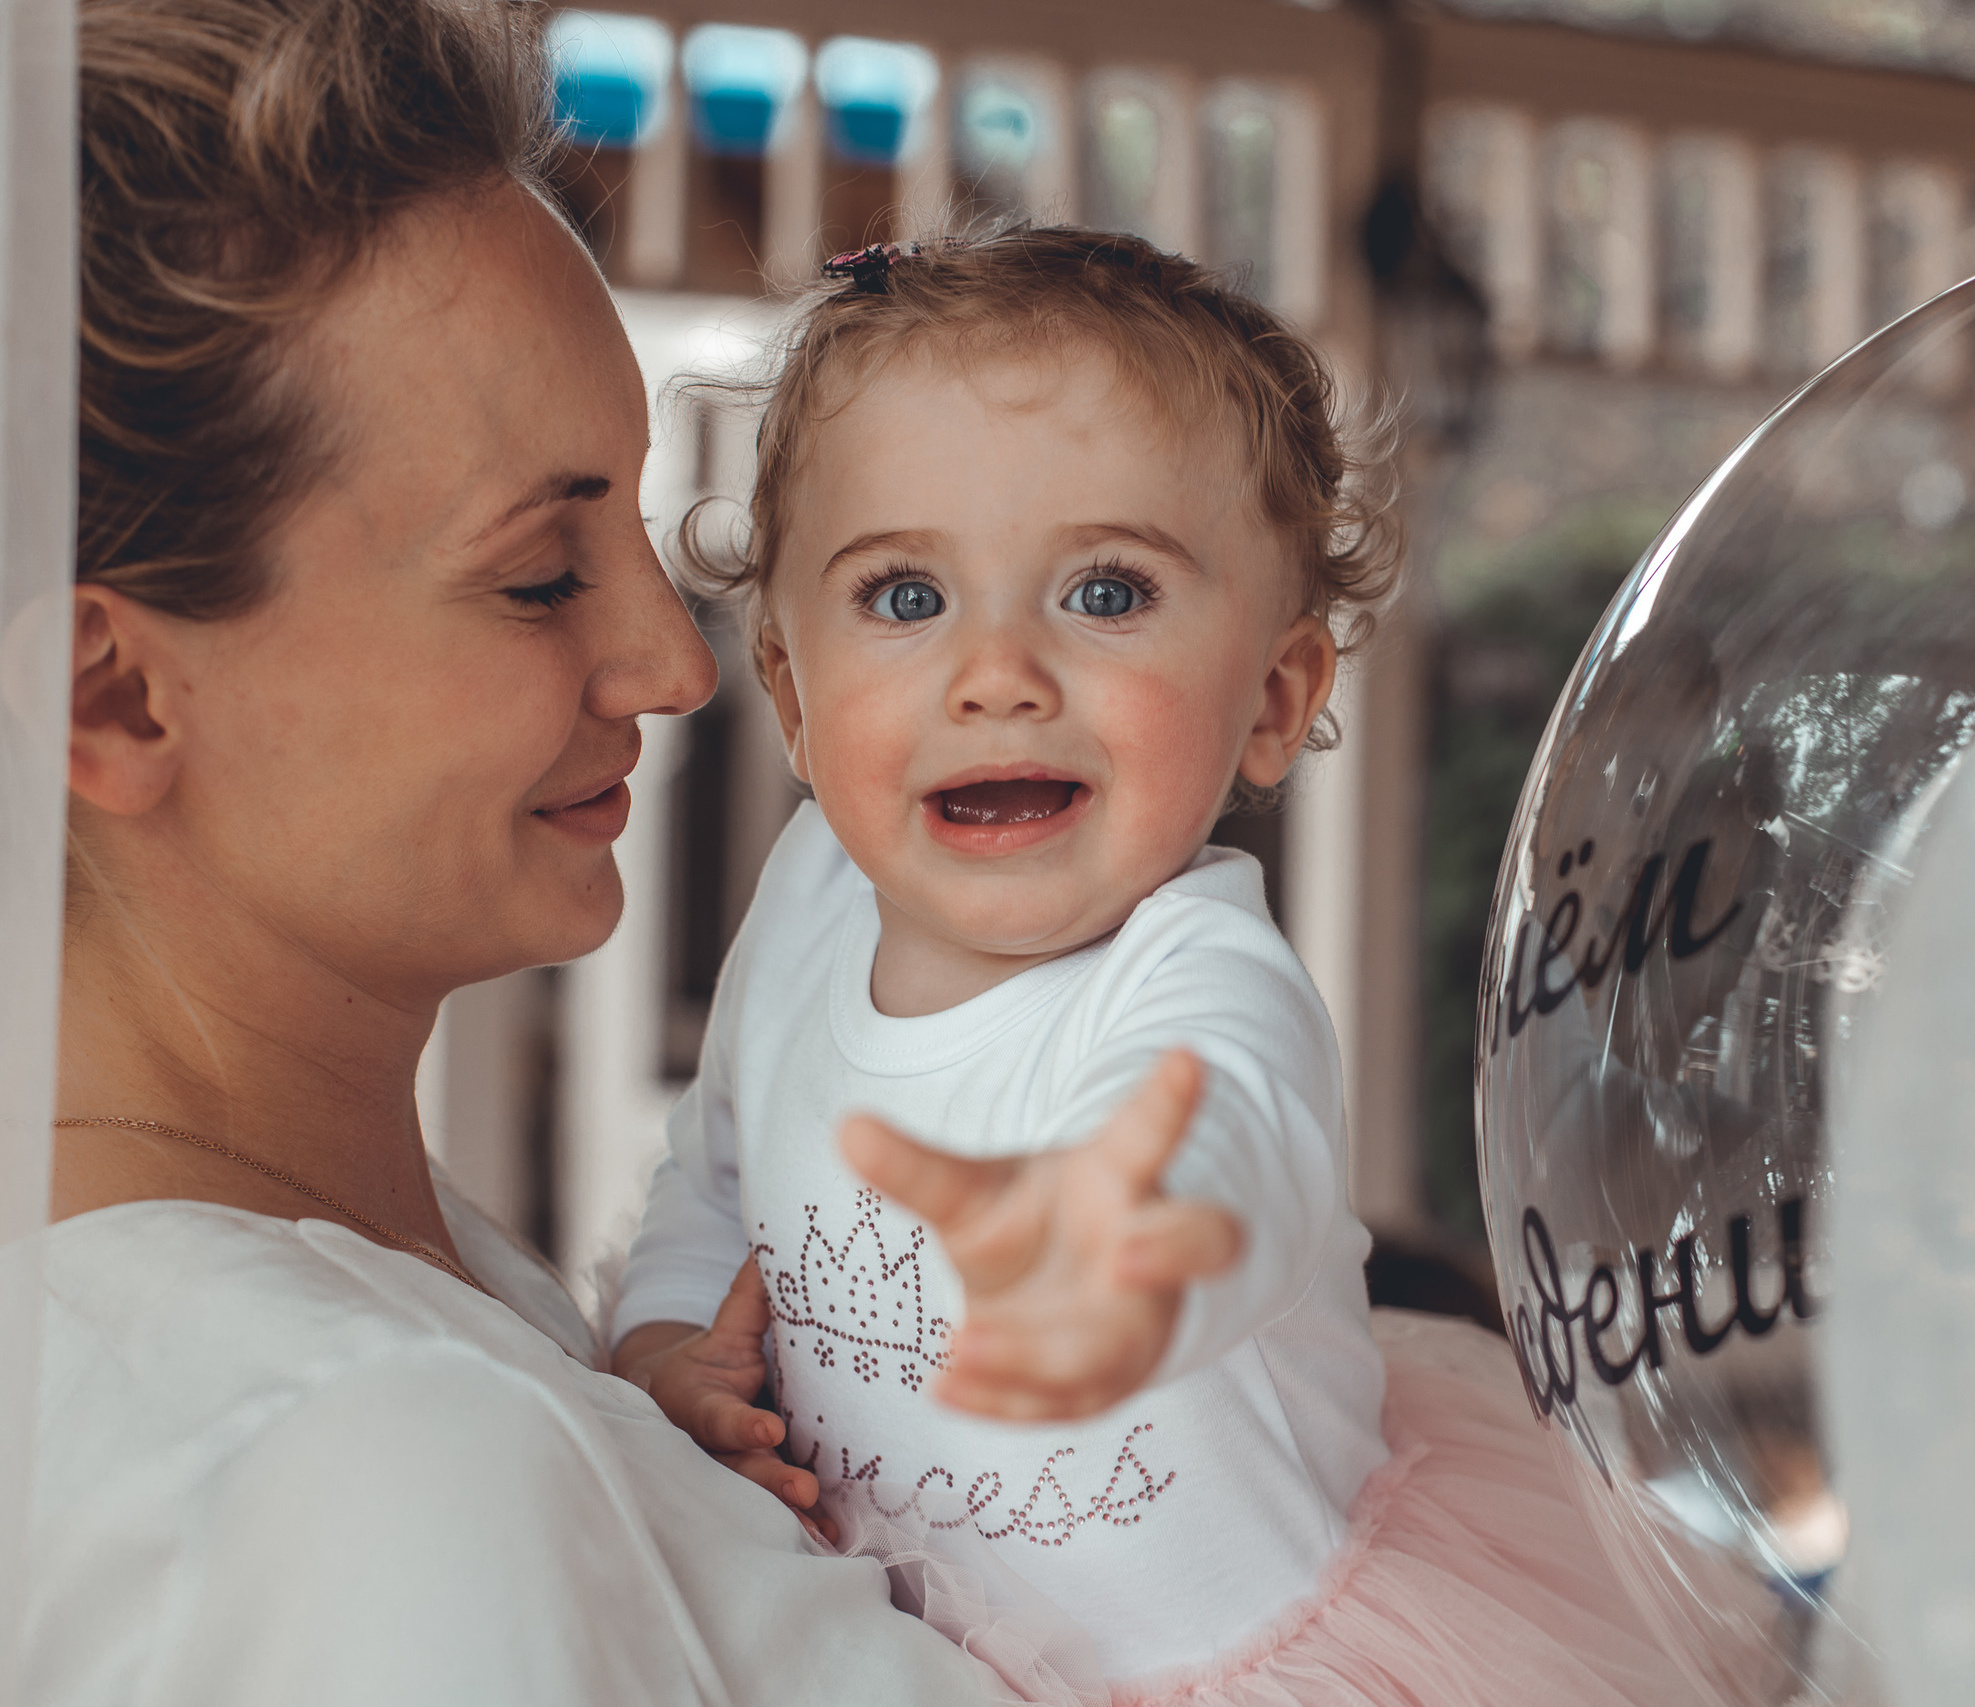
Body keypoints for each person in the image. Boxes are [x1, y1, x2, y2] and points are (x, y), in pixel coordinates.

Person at [36, 1, 1032, 1699]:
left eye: (639, 530)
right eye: (538, 577)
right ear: (122, 698)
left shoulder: (382, 1293)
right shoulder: (357, 1455)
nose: (675, 665)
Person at [607, 230, 1732, 1705]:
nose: (997, 669)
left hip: (1237, 1663)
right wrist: (667, 1346)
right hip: (895, 1651)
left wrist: (1134, 1254)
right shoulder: (807, 899)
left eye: (1106, 594)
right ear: (793, 697)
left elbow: (1233, 1155)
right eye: (903, 598)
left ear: (1274, 700)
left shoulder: (1195, 973)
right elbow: (713, 1183)